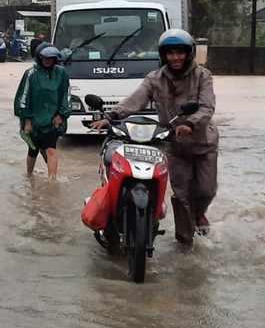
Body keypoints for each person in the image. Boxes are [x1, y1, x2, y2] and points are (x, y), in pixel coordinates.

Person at [91, 28, 218, 249]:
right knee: (181, 194)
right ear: (163, 55)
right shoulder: (155, 78)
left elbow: (207, 107)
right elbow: (135, 100)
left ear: (189, 54)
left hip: (203, 143)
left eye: (180, 53)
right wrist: (111, 117)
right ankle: (185, 241)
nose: (175, 57)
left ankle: (199, 214)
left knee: (206, 190)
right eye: (170, 53)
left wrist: (189, 123)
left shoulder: (202, 76)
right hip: (174, 145)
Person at [14, 44, 70, 180]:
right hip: (33, 120)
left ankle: (52, 182)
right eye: (44, 57)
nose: (47, 60)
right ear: (39, 57)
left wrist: (61, 115)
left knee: (51, 149)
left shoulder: (61, 73)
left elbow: (66, 95)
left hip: (52, 120)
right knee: (33, 150)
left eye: (51, 58)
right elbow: (23, 98)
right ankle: (29, 176)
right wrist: (27, 120)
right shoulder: (30, 74)